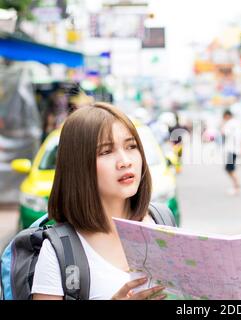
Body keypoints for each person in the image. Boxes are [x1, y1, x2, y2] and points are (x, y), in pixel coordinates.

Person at [31, 102, 167, 300]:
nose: (125, 161)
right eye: (105, 152)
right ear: (78, 166)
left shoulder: (161, 222)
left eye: (131, 146)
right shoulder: (59, 252)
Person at [221, 109, 241, 196]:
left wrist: (222, 125)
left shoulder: (229, 123)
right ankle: (236, 185)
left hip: (231, 149)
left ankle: (236, 186)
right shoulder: (237, 123)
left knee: (229, 168)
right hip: (235, 149)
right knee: (229, 168)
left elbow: (224, 133)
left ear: (226, 116)